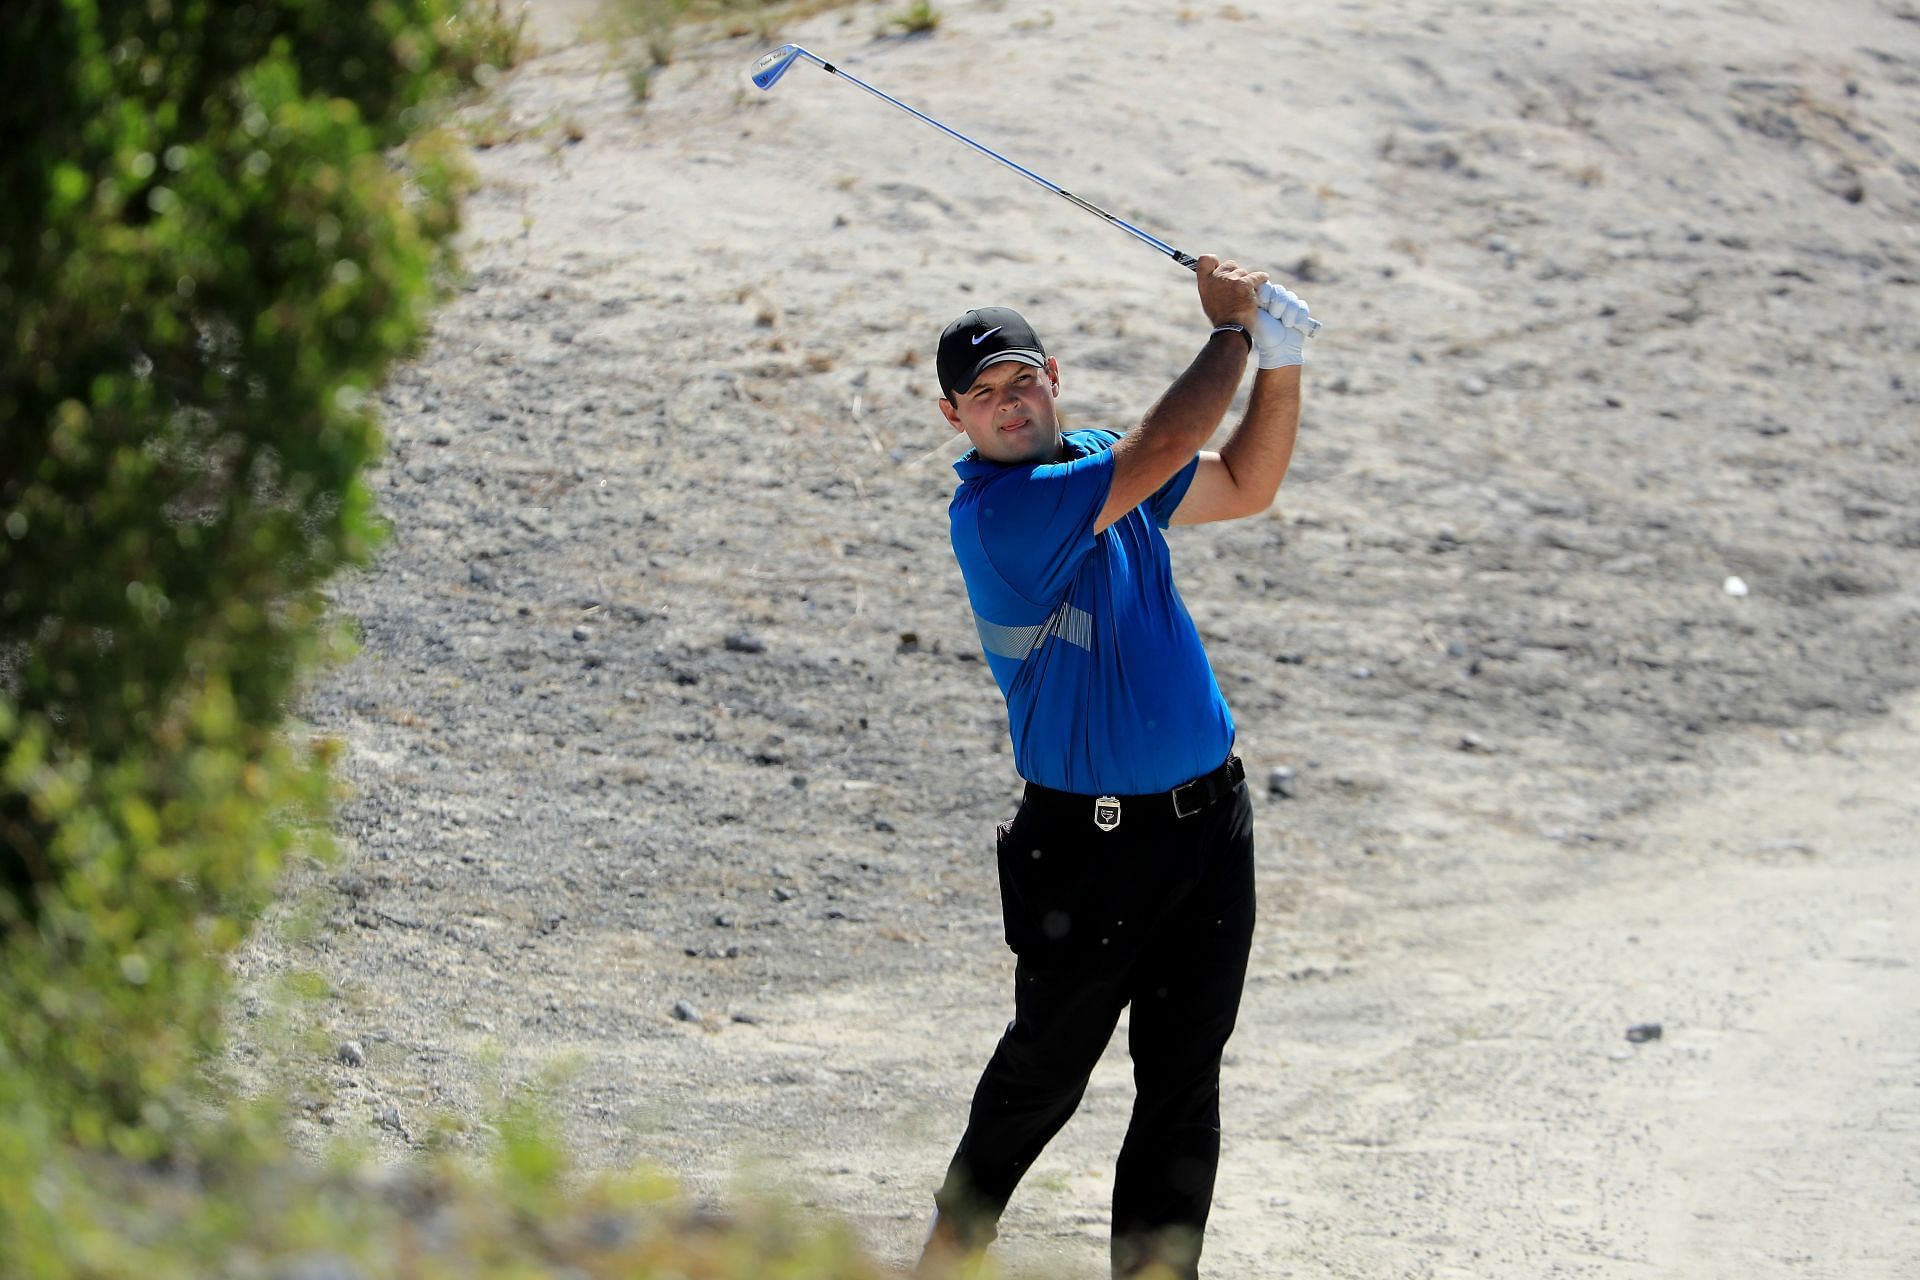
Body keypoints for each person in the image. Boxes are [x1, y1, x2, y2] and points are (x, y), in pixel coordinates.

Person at [917, 256, 1310, 1280]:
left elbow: (1245, 482)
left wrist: (1282, 359)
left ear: (1052, 373)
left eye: (1020, 381)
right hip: (1086, 849)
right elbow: (1175, 439)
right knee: (1044, 1073)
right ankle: (951, 1250)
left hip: (1209, 830)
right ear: (953, 414)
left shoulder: (1104, 460)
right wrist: (1230, 328)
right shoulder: (1001, 516)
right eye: (983, 395)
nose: (1007, 407)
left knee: (1184, 1082)